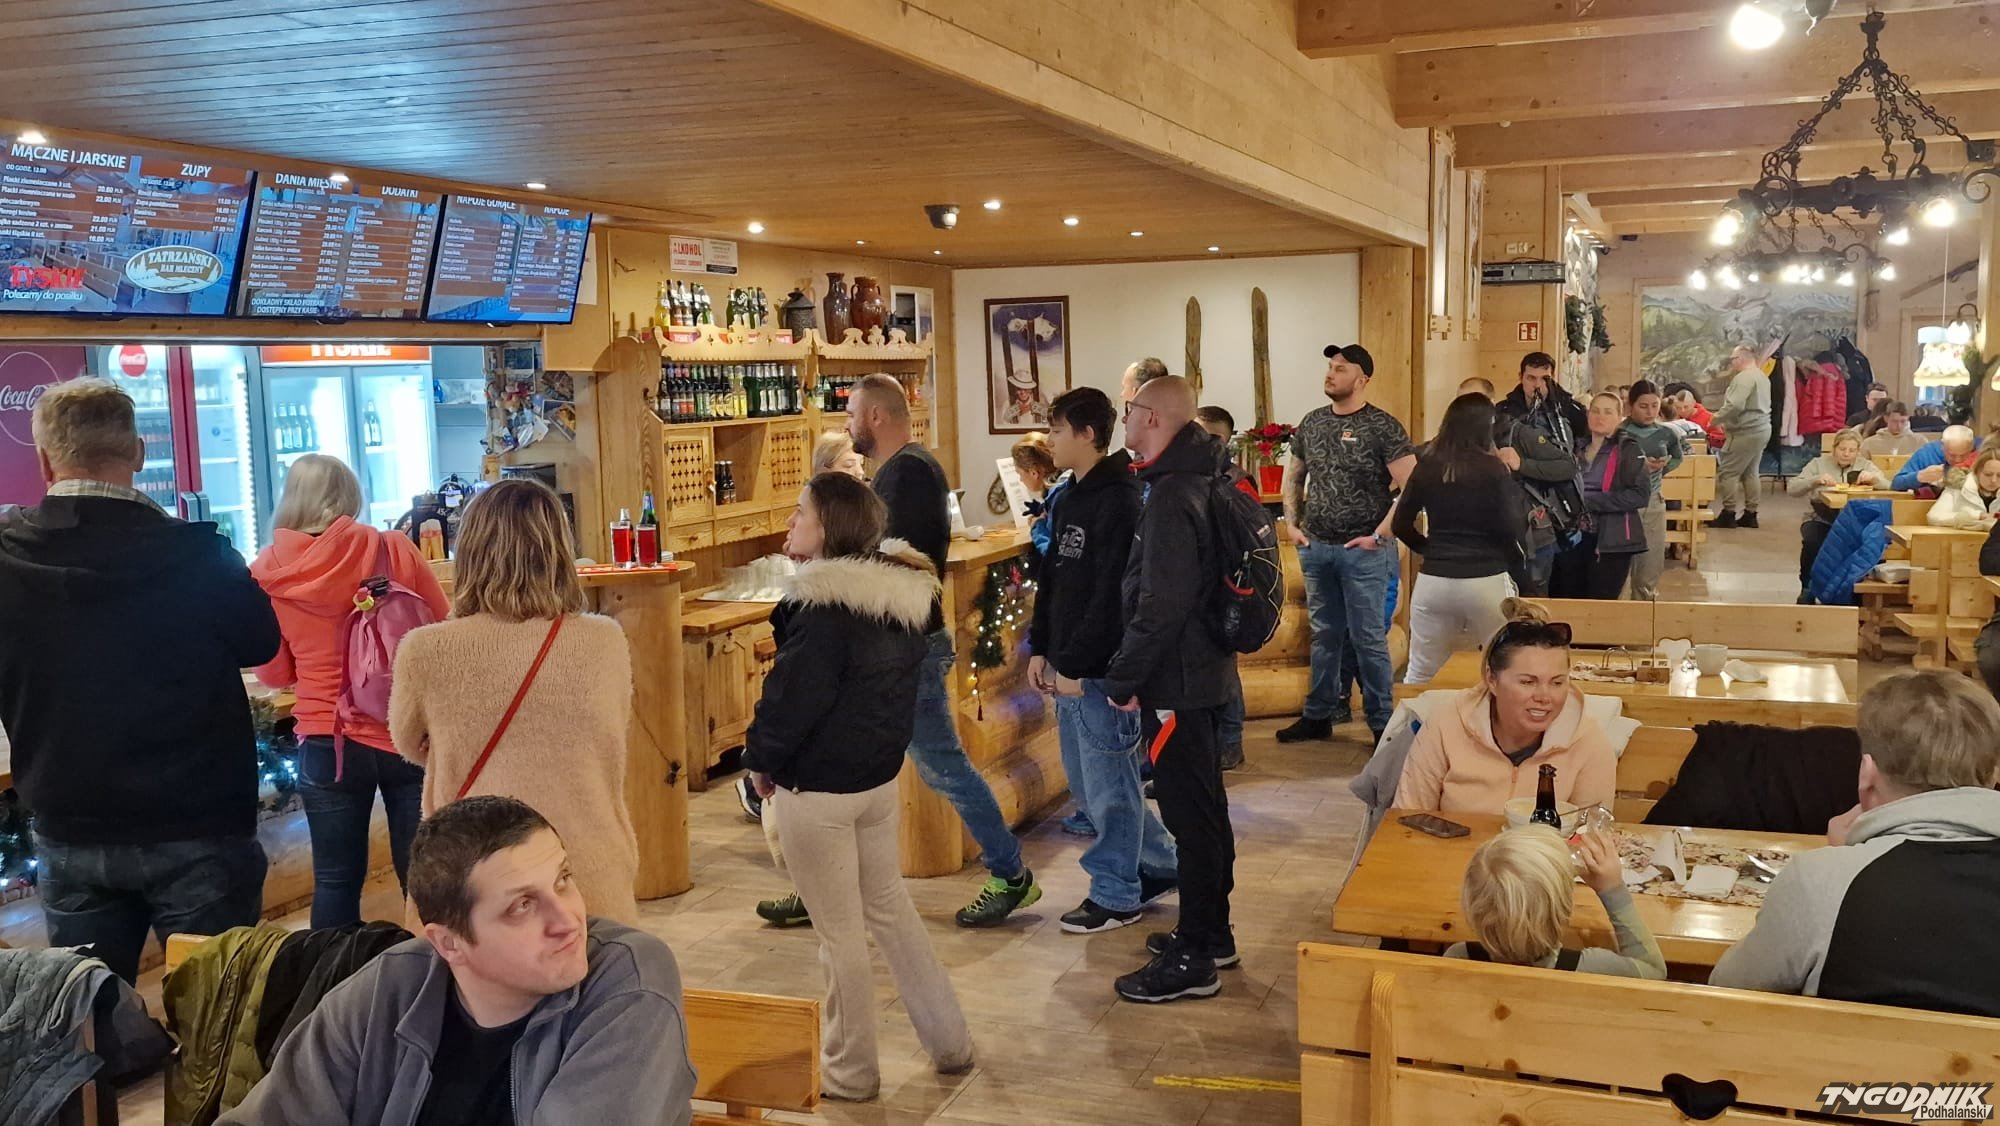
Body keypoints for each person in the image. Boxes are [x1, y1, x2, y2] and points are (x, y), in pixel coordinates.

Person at [0, 378, 278, 983]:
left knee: (85, 1020)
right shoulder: (201, 556)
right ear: (139, 453)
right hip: (199, 824)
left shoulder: (7, 557)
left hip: (68, 822)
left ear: (45, 460)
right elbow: (262, 643)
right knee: (216, 1017)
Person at [220, 796, 697, 1125]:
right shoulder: (389, 990)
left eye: (562, 880)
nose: (568, 920)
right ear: (448, 944)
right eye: (522, 906)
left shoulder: (628, 983)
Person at [741, 474, 975, 1098]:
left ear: (829, 527)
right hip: (875, 781)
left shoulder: (822, 609)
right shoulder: (897, 597)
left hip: (818, 789)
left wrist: (760, 759)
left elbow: (791, 701)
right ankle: (951, 1042)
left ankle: (850, 1072)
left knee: (839, 935)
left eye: (800, 513)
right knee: (891, 912)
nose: (790, 523)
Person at [389, 479, 640, 925]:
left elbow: (408, 743)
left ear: (470, 552)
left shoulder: (426, 650)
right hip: (588, 865)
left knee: (471, 971)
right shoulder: (605, 640)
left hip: (476, 878)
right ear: (559, 550)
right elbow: (609, 733)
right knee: (600, 968)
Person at [848, 373, 1040, 926]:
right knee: (849, 765)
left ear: (877, 416)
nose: (847, 423)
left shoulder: (906, 472)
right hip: (894, 645)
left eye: (852, 413)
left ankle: (1011, 874)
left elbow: (895, 565)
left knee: (944, 768)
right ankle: (824, 878)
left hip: (907, 647)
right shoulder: (905, 469)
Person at [1710, 671, 2000, 1017]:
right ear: (1994, 775)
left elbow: (1724, 995)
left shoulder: (1819, 881)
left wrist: (1842, 861)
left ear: (1867, 775)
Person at [252, 454, 451, 929]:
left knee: (335, 881)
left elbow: (275, 674)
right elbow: (441, 632)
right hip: (403, 730)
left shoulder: (266, 572)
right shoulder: (392, 549)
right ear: (350, 496)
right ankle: (429, 968)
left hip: (326, 738)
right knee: (421, 877)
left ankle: (335, 973)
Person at [1103, 376, 1238, 1003]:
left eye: (1130, 410)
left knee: (1190, 819)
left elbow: (1161, 603)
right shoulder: (1202, 476)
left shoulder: (1172, 494)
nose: (1125, 419)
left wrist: (1125, 676)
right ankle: (1210, 933)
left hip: (1178, 682)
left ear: (1153, 418)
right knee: (1205, 812)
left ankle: (1194, 959)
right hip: (1202, 672)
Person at [1026, 388, 1179, 934]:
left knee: (1110, 790)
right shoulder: (1069, 495)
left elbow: (1113, 597)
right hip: (1069, 663)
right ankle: (1160, 864)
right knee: (1091, 790)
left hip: (1099, 671)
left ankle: (1116, 894)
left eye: (1057, 429)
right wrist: (1041, 646)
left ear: (1087, 434)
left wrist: (1077, 664)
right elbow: (1055, 581)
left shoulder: (1121, 499)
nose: (1049, 440)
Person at [1278, 344, 1415, 746]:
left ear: (1362, 379)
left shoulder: (1382, 426)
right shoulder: (1313, 422)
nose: (1331, 373)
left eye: (1341, 368)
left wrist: (1381, 535)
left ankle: (1381, 722)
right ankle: (1318, 714)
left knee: (1368, 639)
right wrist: (1292, 524)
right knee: (1324, 636)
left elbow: (1412, 486)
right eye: (1330, 366)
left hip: (1364, 552)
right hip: (1317, 546)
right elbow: (1294, 475)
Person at [1395, 605, 1616, 815]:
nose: (1544, 697)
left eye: (1557, 682)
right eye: (1528, 682)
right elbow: (1406, 818)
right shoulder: (1446, 724)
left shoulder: (1588, 740)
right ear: (1491, 679)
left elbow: (1592, 831)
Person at [1393, 392, 1527, 684]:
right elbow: (1510, 527)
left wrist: (1431, 550)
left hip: (1434, 580)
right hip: (1486, 578)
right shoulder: (1493, 469)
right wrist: (1515, 563)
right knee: (1503, 668)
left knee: (1421, 670)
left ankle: (1411, 716)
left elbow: (1400, 524)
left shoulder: (1427, 465)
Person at [1448, 826, 1667, 979]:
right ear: (1564, 908)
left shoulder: (1457, 958)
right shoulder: (1591, 968)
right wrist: (1613, 890)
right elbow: (1654, 971)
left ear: (1470, 906)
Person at [1461, 375, 1579, 596]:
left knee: (1531, 607)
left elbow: (1568, 466)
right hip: (1484, 544)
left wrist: (1521, 464)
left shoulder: (1516, 432)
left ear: (1491, 403)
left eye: (1475, 400)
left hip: (1531, 540)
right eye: (1462, 402)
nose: (1467, 409)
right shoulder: (1455, 441)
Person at [1496, 353, 1588, 595]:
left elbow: (1574, 460)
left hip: (1561, 503)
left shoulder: (1571, 410)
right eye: (1531, 378)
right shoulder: (1504, 411)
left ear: (1552, 377)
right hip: (1521, 506)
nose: (1537, 385)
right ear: (1520, 377)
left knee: (1560, 584)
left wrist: (1526, 463)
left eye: (1543, 378)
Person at [1550, 392, 1650, 601]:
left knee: (1600, 603)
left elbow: (1640, 495)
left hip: (1611, 540)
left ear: (1619, 417)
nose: (1600, 417)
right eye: (1595, 411)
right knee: (1567, 598)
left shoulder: (1629, 449)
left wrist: (1588, 503)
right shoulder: (1574, 448)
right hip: (1572, 536)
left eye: (1607, 412)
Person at [1195, 404, 1250, 771]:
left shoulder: (1236, 481)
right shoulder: (1191, 475)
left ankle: (1230, 741)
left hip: (1227, 587)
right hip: (1199, 585)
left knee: (1225, 669)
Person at [1789, 430, 1886, 598]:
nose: (1846, 454)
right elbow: (1793, 488)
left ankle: (1856, 591)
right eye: (1842, 449)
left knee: (1872, 544)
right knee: (1812, 542)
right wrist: (1815, 480)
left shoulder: (1865, 465)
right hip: (1821, 516)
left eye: (1851, 450)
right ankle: (1807, 587)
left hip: (1854, 520)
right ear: (1834, 449)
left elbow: (1889, 485)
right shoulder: (1818, 464)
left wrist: (1875, 480)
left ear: (1858, 452)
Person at [1619, 380, 1683, 601]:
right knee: (1620, 569)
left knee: (1650, 564)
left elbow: (1678, 456)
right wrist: (1637, 466)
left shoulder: (1667, 433)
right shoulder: (1619, 432)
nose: (1649, 412)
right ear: (1631, 406)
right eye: (1643, 406)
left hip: (1653, 500)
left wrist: (1662, 468)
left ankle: (1645, 611)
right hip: (1623, 502)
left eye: (1654, 406)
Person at [1712, 345, 1773, 529]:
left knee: (1728, 472)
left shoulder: (1743, 378)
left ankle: (1728, 513)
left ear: (1740, 359)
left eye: (1733, 359)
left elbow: (1735, 405)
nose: (1732, 363)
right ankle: (1750, 514)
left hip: (1745, 431)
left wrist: (1715, 419)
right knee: (1751, 472)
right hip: (1761, 429)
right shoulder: (1761, 376)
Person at [1925, 446, 2000, 529]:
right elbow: (1934, 516)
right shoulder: (1957, 487)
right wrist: (1978, 516)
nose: (1993, 480)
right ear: (1977, 472)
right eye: (1988, 474)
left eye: (1999, 476)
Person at [1892, 424, 1979, 493]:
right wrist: (1920, 476)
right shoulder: (1927, 453)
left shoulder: (1980, 453)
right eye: (1952, 455)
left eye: (1963, 455)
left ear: (1972, 448)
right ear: (1942, 446)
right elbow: (1896, 484)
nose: (1958, 460)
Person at [1663, 382, 1720, 452]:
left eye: (1686, 407)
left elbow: (1720, 439)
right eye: (1678, 408)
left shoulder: (1709, 418)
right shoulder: (1674, 418)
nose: (1683, 411)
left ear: (1693, 403)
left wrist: (1706, 437)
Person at [1861, 402, 1927, 457]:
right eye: (1894, 421)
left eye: (1903, 421)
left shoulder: (1919, 441)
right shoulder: (1869, 443)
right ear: (1886, 418)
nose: (1899, 425)